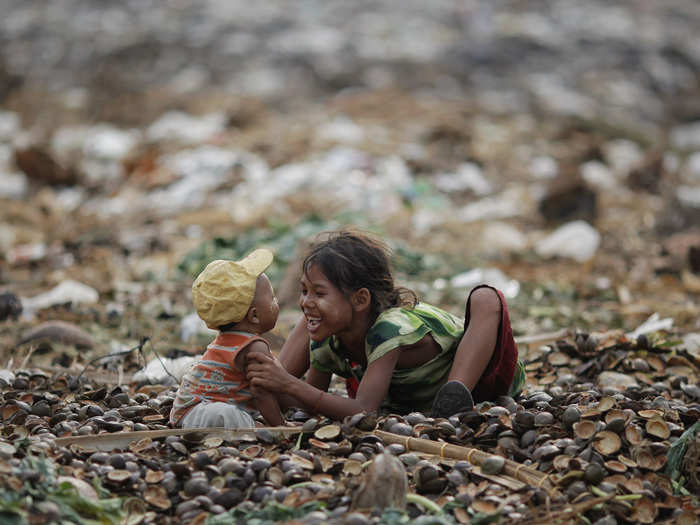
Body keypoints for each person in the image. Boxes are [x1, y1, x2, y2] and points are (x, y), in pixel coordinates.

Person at [246, 229, 525, 420]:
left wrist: (288, 385)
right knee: (308, 326)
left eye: (319, 293)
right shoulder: (326, 335)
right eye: (304, 291)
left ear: (360, 299)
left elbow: (363, 410)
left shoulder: (388, 329)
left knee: (486, 297)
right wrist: (273, 387)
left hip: (484, 380)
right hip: (403, 398)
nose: (305, 301)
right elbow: (312, 403)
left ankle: (454, 393)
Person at [169, 248, 284, 429]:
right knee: (230, 416)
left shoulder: (225, 340)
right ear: (254, 316)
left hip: (185, 409)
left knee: (235, 414)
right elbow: (262, 393)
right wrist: (280, 426)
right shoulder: (254, 347)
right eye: (273, 298)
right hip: (204, 413)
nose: (277, 304)